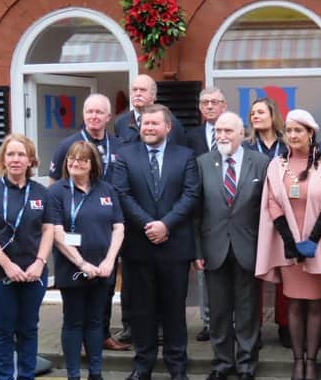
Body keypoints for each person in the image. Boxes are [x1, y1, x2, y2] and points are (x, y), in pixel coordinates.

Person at [255, 109, 321, 380]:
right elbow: (271, 201)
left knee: (317, 304)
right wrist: (290, 240)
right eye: (289, 131)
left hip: (319, 244)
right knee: (293, 302)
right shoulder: (276, 165)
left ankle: (312, 360)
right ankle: (297, 360)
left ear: (311, 134)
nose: (293, 135)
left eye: (299, 131)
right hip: (289, 245)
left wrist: (312, 239)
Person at [113, 103, 199, 380]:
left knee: (174, 310)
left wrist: (166, 225)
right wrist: (149, 225)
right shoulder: (125, 155)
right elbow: (122, 194)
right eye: (145, 124)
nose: (148, 128)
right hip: (139, 247)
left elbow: (191, 195)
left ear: (168, 127)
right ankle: (143, 365)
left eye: (154, 124)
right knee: (141, 311)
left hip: (175, 247)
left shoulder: (185, 156)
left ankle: (177, 367)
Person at [48, 93, 128, 351]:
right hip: (73, 230)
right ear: (83, 115)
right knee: (76, 289)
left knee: (104, 288)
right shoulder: (68, 145)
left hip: (105, 228)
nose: (94, 116)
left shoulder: (119, 144)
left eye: (99, 112)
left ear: (108, 116)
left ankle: (102, 334)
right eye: (89, 111)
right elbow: (54, 187)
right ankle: (79, 338)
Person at [194, 112, 270, 380]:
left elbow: (267, 210)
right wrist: (199, 251)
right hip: (214, 249)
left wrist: (265, 251)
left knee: (248, 311)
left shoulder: (261, 163)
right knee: (218, 312)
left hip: (248, 248)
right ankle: (222, 363)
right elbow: (197, 210)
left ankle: (247, 364)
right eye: (218, 131)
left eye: (228, 131)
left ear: (243, 134)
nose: (222, 136)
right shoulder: (203, 163)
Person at [0, 134, 54, 380]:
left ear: (30, 159)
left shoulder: (42, 192)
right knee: (2, 330)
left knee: (29, 330)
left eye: (21, 154)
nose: (16, 159)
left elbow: (49, 229)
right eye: (10, 154)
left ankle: (26, 376)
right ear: (3, 159)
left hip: (34, 273)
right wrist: (8, 265)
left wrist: (40, 262)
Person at [50, 141, 125, 380]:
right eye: (72, 158)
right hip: (72, 268)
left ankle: (96, 373)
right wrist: (82, 264)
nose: (75, 162)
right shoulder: (56, 192)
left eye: (82, 159)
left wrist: (110, 261)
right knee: (73, 322)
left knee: (95, 323)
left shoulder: (106, 190)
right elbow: (57, 233)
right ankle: (73, 375)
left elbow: (119, 227)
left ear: (92, 164)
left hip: (103, 269)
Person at [242, 97, 290, 347]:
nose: (255, 116)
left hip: (285, 216)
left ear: (273, 115)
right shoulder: (246, 146)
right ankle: (254, 329)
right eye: (252, 113)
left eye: (260, 112)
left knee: (285, 272)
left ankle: (285, 326)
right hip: (253, 216)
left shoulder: (287, 144)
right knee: (255, 275)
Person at [186, 87, 228, 342]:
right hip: (201, 209)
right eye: (205, 102)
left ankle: (229, 322)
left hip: (229, 208)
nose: (210, 106)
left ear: (224, 105)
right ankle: (208, 322)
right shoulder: (190, 136)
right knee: (204, 271)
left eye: (214, 102)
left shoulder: (235, 134)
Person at [114, 74, 187, 146]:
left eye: (143, 90)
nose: (138, 93)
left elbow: (178, 152)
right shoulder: (121, 122)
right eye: (134, 90)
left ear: (153, 95)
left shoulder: (168, 120)